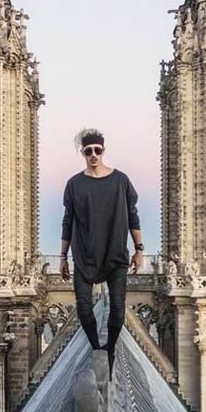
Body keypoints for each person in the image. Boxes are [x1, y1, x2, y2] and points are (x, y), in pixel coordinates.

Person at [60, 128, 144, 378]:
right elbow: (67, 221)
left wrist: (139, 250)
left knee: (118, 308)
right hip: (84, 255)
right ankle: (97, 348)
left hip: (115, 254)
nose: (93, 154)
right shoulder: (74, 184)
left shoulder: (121, 180)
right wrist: (63, 257)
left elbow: (133, 216)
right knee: (84, 308)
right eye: (88, 151)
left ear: (103, 150)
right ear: (83, 153)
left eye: (97, 150)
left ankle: (110, 351)